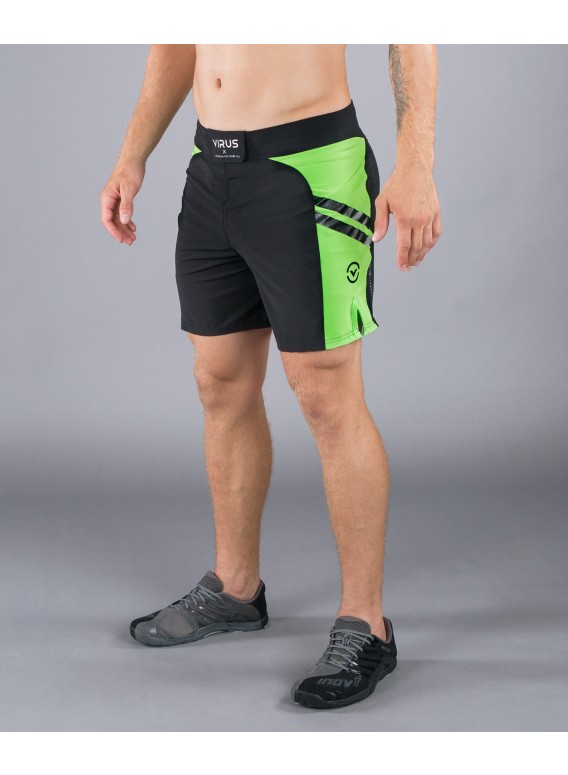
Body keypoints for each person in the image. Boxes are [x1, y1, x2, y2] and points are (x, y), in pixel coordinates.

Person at [100, 44, 441, 710]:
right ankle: (235, 587)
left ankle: (366, 624)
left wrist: (418, 161)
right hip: (213, 172)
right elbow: (180, 37)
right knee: (219, 382)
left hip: (313, 168)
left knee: (326, 396)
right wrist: (132, 153)